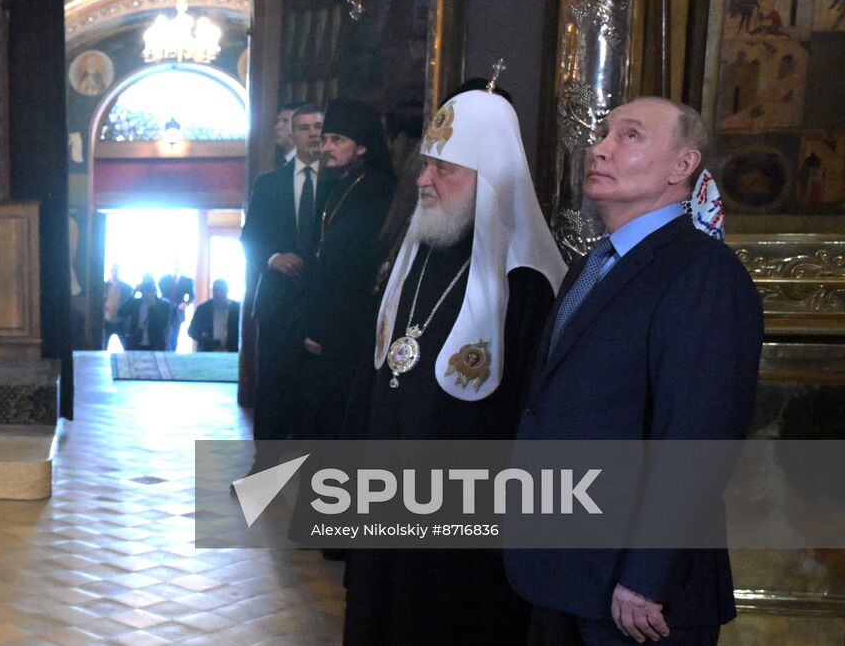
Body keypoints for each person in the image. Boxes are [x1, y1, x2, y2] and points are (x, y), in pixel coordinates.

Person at [505, 97, 764, 645]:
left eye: (629, 136)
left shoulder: (703, 273)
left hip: (639, 598)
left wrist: (648, 576)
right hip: (564, 573)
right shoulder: (592, 264)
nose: (599, 148)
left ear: (681, 166)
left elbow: (698, 436)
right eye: (601, 134)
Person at [343, 84, 566, 645]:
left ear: (489, 178)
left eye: (444, 168)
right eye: (425, 164)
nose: (423, 180)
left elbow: (526, 420)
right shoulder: (419, 253)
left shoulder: (526, 285)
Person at [295, 98, 394, 440]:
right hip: (330, 322)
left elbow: (350, 264)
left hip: (352, 326)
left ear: (363, 145)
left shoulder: (379, 193)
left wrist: (323, 327)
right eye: (325, 140)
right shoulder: (340, 186)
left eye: (338, 140)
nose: (327, 147)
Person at [240, 103, 323, 440]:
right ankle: (265, 476)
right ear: (292, 134)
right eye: (305, 127)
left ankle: (315, 481)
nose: (313, 133)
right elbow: (250, 238)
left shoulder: (337, 182)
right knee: (273, 391)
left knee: (313, 397)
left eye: (319, 126)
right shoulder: (270, 183)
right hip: (276, 303)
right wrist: (273, 258)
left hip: (319, 305)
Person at [117, 275, 172, 350]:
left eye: (149, 289)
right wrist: (133, 293)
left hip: (155, 346)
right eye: (144, 289)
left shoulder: (164, 305)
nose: (146, 293)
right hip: (135, 345)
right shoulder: (135, 303)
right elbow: (120, 313)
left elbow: (164, 324)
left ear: (154, 289)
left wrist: (153, 305)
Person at [188, 279, 240, 352]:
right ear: (212, 291)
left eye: (222, 290)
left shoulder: (237, 309)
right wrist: (202, 336)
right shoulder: (203, 309)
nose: (219, 293)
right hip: (207, 352)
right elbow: (191, 331)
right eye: (216, 290)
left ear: (227, 291)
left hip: (232, 352)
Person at [101, 264, 134, 350]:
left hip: (121, 322)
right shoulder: (104, 286)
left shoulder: (126, 287)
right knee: (103, 347)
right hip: (107, 321)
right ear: (110, 271)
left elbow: (131, 301)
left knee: (126, 347)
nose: (114, 273)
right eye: (112, 270)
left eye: (116, 270)